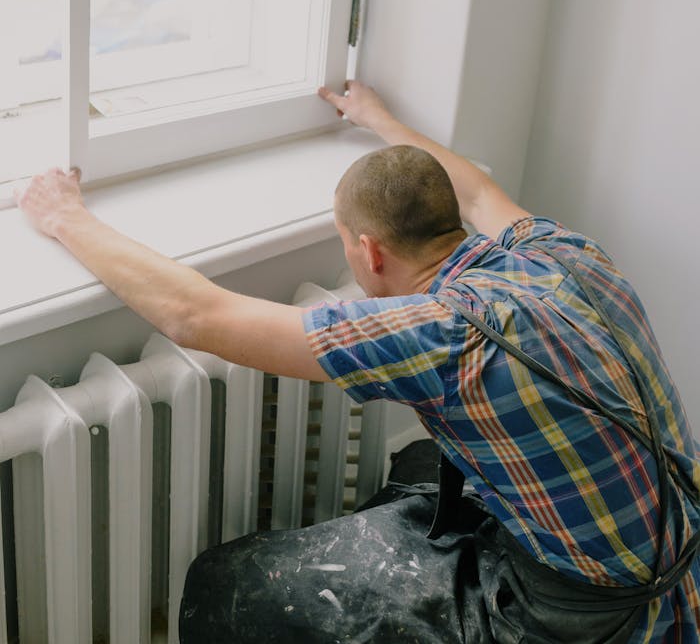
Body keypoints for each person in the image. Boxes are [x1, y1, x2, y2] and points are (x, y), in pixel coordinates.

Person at [15, 81, 700, 643]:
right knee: (414, 469)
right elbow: (480, 194)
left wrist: (63, 216)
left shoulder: (439, 335)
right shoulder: (565, 254)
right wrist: (380, 119)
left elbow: (196, 317)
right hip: (681, 547)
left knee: (227, 582)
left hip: (587, 616)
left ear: (370, 253)